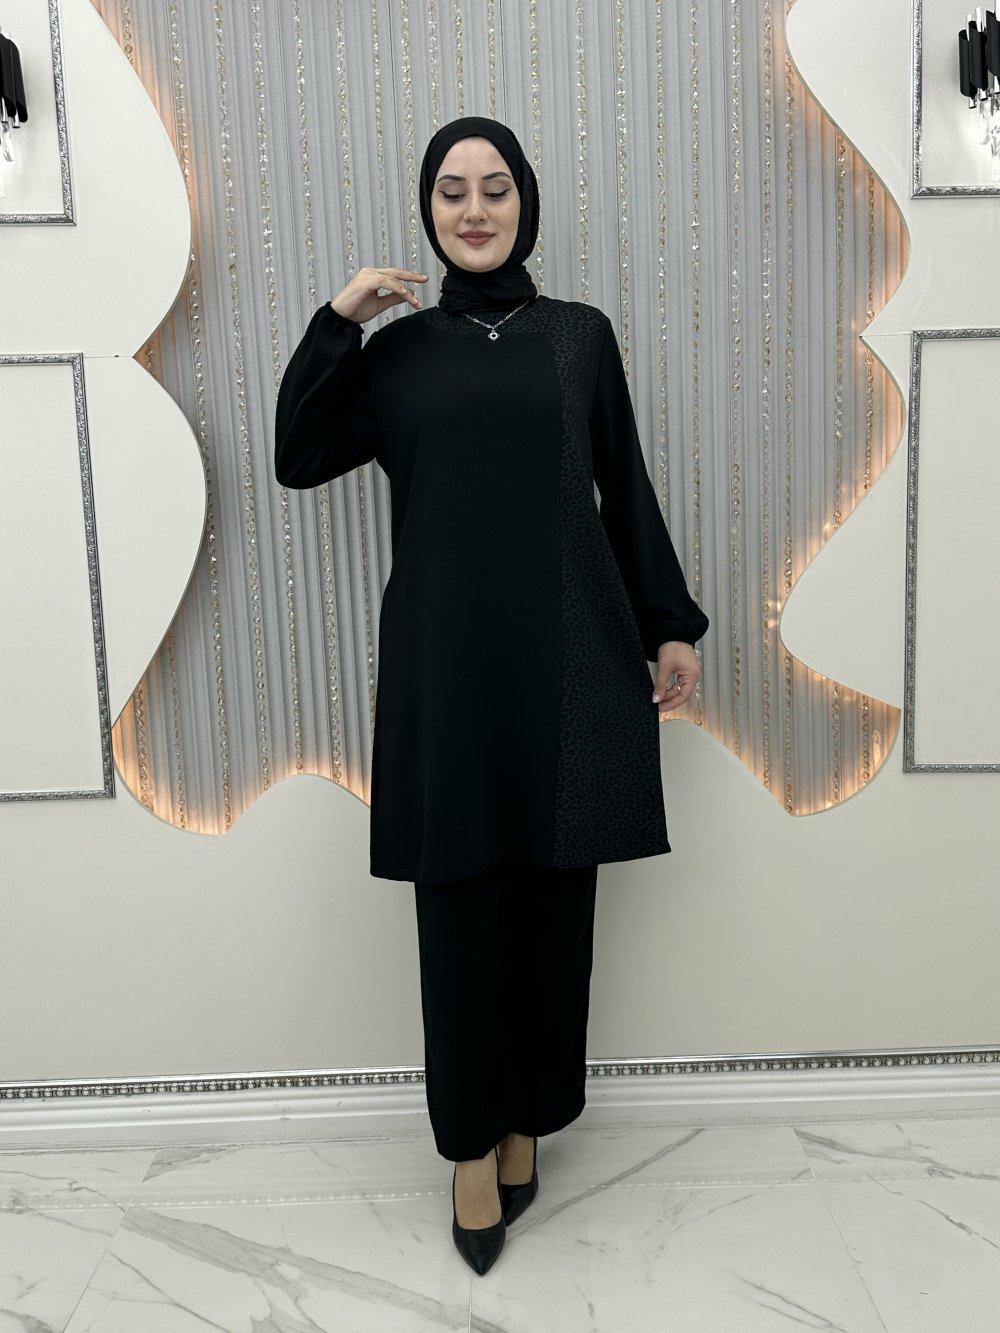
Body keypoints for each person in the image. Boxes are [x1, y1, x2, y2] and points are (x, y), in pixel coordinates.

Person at [273, 114, 710, 1275]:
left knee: (555, 913)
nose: (475, 209)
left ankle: (529, 1121)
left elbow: (621, 483)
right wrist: (339, 320)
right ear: (428, 209)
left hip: (571, 657)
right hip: (448, 668)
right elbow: (297, 456)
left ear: (525, 202)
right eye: (452, 191)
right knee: (462, 908)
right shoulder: (398, 354)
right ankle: (471, 1144)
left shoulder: (578, 337)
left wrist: (668, 623)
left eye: (496, 188)